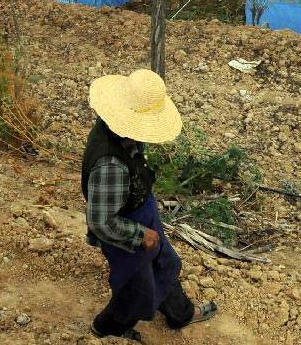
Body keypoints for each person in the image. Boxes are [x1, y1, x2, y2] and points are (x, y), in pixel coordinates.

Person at [82, 69, 217, 341]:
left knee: (165, 263)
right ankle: (108, 327)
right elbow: (100, 222)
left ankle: (180, 313)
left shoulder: (119, 130)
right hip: (125, 230)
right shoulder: (110, 165)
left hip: (141, 212)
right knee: (136, 287)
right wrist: (140, 234)